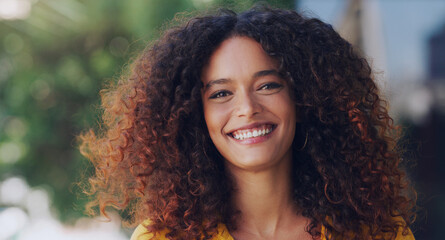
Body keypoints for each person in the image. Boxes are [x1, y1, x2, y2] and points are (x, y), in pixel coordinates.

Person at [79, 6, 416, 240]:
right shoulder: (163, 237)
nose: (247, 109)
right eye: (221, 93)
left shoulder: (377, 232)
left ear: (303, 98)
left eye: (268, 86)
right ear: (196, 116)